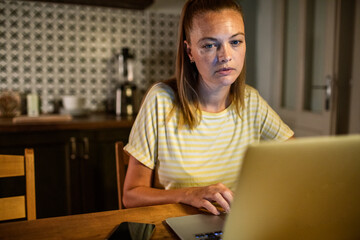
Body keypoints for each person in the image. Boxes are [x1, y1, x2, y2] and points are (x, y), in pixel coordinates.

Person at [123, 0, 294, 215]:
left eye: (236, 42)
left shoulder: (251, 101)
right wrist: (188, 194)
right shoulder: (161, 100)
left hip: (237, 225)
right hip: (178, 224)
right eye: (209, 45)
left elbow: (297, 160)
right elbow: (131, 195)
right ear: (190, 51)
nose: (225, 56)